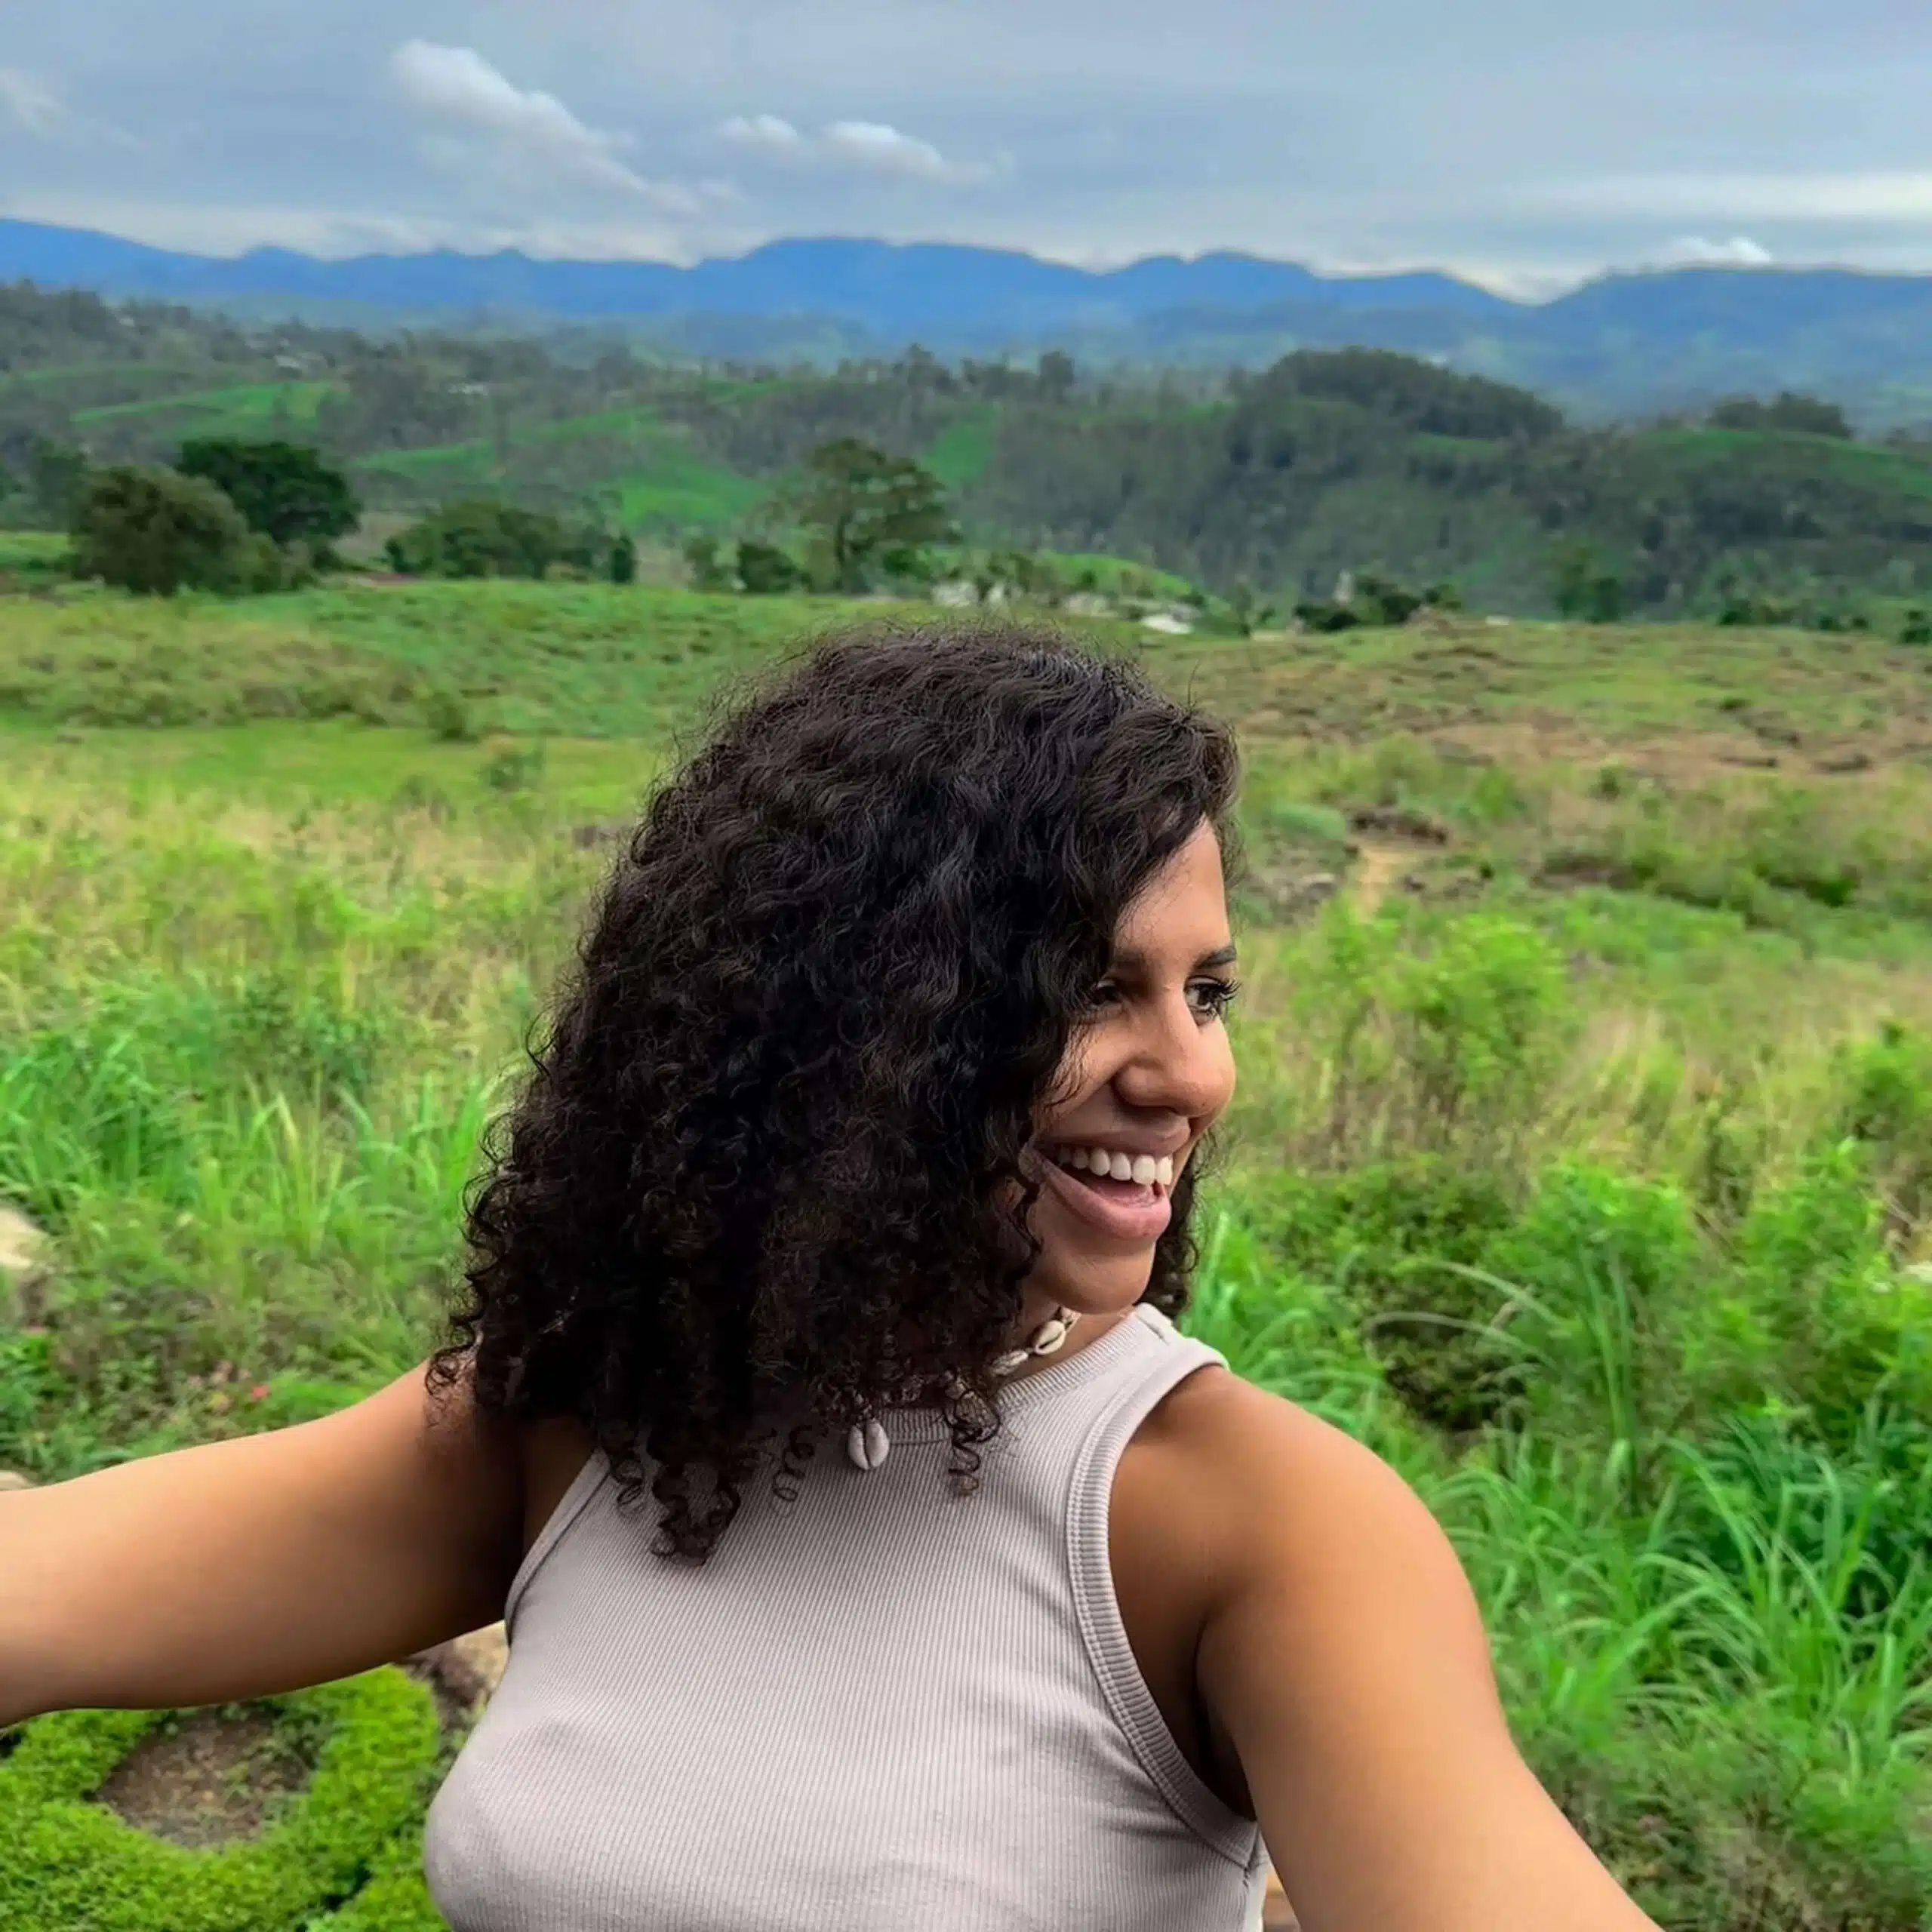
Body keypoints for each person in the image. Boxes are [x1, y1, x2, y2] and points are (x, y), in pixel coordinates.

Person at [0, 625, 1660, 1932]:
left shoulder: (1247, 1527)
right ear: (844, 1026)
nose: (1190, 1075)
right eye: (1097, 990)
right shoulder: (594, 1413)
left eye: (1204, 992)